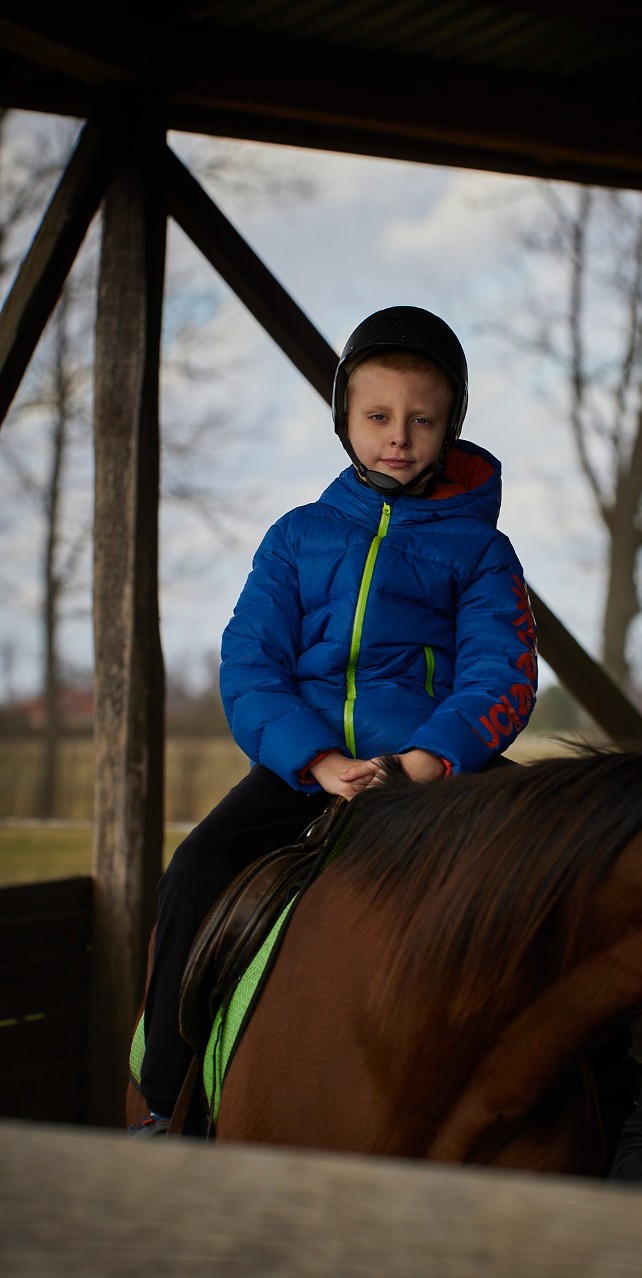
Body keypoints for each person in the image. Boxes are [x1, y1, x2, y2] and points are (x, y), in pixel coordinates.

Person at [130, 305, 538, 1131]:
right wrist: (315, 761)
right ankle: (163, 1100)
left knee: (565, 868)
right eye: (378, 416)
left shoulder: (481, 552)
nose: (399, 436)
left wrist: (426, 761)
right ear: (345, 419)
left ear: (450, 425)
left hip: (431, 775)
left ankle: (634, 1097)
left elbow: (504, 671)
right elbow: (251, 665)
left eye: (422, 420)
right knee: (197, 870)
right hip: (307, 772)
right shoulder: (297, 538)